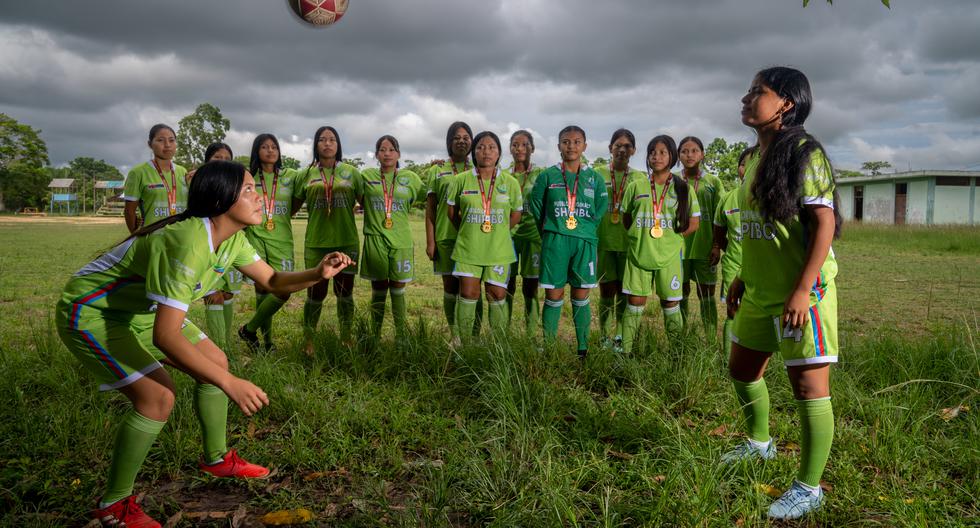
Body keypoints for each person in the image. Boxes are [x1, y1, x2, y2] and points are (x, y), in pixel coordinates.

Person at [56, 161, 353, 528]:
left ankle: (216, 459)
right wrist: (230, 386)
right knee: (158, 398)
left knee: (215, 360)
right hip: (92, 312)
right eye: (247, 190)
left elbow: (274, 280)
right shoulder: (188, 242)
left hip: (138, 310)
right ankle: (113, 505)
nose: (259, 196)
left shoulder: (232, 239)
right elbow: (165, 336)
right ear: (221, 199)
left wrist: (317, 273)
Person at [723, 66, 841, 520]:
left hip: (802, 295)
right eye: (749, 90)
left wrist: (801, 290)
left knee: (809, 387)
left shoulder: (805, 154)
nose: (746, 98)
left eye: (758, 91)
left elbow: (825, 224)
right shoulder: (753, 157)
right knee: (742, 368)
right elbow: (760, 227)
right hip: (759, 289)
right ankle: (759, 443)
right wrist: (743, 276)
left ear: (787, 103)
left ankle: (809, 488)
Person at [528, 126, 608, 358]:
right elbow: (536, 207)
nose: (571, 146)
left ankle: (582, 348)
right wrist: (551, 228)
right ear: (558, 146)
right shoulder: (547, 176)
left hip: (585, 242)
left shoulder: (594, 178)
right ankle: (549, 347)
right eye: (565, 142)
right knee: (554, 295)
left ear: (585, 146)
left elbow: (601, 208)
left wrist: (586, 227)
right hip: (556, 240)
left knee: (581, 295)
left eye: (576, 141)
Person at [618, 135, 699, 353]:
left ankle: (677, 353)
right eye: (653, 151)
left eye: (663, 152)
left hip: (669, 256)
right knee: (634, 303)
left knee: (670, 303)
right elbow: (627, 220)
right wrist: (639, 235)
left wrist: (674, 238)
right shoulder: (636, 186)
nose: (657, 156)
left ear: (673, 156)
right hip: (639, 254)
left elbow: (694, 223)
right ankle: (625, 353)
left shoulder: (684, 188)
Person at [446, 131, 523, 343]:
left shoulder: (510, 182)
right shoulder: (461, 180)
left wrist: (499, 230)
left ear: (499, 153)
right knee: (469, 294)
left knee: (497, 295)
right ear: (473, 152)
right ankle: (465, 345)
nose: (486, 152)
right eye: (480, 147)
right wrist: (468, 230)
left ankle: (497, 347)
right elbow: (451, 213)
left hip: (499, 249)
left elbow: (516, 213)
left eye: (491, 147)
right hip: (469, 248)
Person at [293, 126, 362, 354]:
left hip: (346, 241)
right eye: (322, 139)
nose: (327, 143)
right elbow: (291, 208)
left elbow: (368, 203)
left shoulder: (352, 173)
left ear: (338, 144)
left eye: (332, 139)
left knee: (345, 292)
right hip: (316, 243)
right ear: (316, 145)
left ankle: (346, 337)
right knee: (315, 293)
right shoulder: (306, 174)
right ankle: (309, 340)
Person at [238, 134, 301, 352]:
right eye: (264, 147)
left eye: (274, 146)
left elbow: (298, 199)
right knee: (263, 291)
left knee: (284, 290)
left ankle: (249, 328)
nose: (270, 150)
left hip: (282, 240)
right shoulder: (248, 178)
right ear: (257, 151)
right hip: (255, 237)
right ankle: (267, 343)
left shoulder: (290, 176)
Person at [359, 135, 425, 340]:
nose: (387, 153)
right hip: (375, 239)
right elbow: (360, 199)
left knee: (398, 288)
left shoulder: (411, 178)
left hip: (401, 240)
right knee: (378, 288)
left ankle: (402, 337)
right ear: (376, 154)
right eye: (382, 149)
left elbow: (425, 198)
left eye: (391, 149)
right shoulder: (366, 176)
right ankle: (374, 336)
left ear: (398, 154)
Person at [425, 122, 481, 335]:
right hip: (446, 237)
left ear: (472, 141)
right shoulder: (437, 170)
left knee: (473, 289)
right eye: (456, 137)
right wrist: (431, 242)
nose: (461, 141)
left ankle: (473, 336)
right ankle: (456, 335)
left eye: (466, 137)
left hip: (474, 238)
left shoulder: (480, 170)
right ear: (449, 142)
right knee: (450, 288)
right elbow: (430, 208)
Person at [593, 129, 644, 351]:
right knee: (606, 290)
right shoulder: (596, 175)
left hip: (628, 243)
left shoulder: (640, 178)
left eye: (627, 146)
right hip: (603, 241)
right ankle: (604, 336)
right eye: (617, 145)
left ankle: (621, 337)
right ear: (610, 148)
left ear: (633, 150)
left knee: (625, 290)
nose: (622, 150)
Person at [187, 143, 240, 350]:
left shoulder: (233, 186)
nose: (223, 163)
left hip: (229, 245)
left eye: (228, 159)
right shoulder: (196, 181)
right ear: (207, 161)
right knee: (213, 297)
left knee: (227, 295)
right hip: (204, 244)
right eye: (218, 158)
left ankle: (226, 345)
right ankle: (220, 350)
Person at [678, 136, 725, 340]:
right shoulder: (673, 180)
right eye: (685, 151)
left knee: (706, 294)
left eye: (694, 150)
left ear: (702, 154)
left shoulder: (713, 182)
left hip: (706, 247)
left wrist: (717, 245)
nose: (689, 155)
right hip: (679, 248)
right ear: (678, 155)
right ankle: (681, 336)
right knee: (680, 292)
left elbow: (720, 215)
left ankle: (711, 338)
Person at [711, 146, 756, 357]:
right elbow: (719, 233)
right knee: (733, 311)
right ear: (740, 169)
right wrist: (730, 252)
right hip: (734, 264)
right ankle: (730, 362)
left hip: (763, 267)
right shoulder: (728, 198)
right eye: (747, 163)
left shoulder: (771, 196)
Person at [506, 130, 544, 333]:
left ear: (532, 148)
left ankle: (530, 335)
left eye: (524, 144)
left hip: (533, 237)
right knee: (507, 286)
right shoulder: (503, 175)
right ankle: (504, 331)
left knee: (530, 287)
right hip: (508, 238)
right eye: (515, 144)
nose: (519, 148)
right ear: (510, 148)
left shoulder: (542, 174)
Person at [123, 124, 188, 233]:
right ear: (150, 144)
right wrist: (135, 235)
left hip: (180, 237)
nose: (167, 145)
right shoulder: (138, 172)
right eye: (160, 140)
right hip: (152, 239)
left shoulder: (183, 172)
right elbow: (129, 211)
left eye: (171, 140)